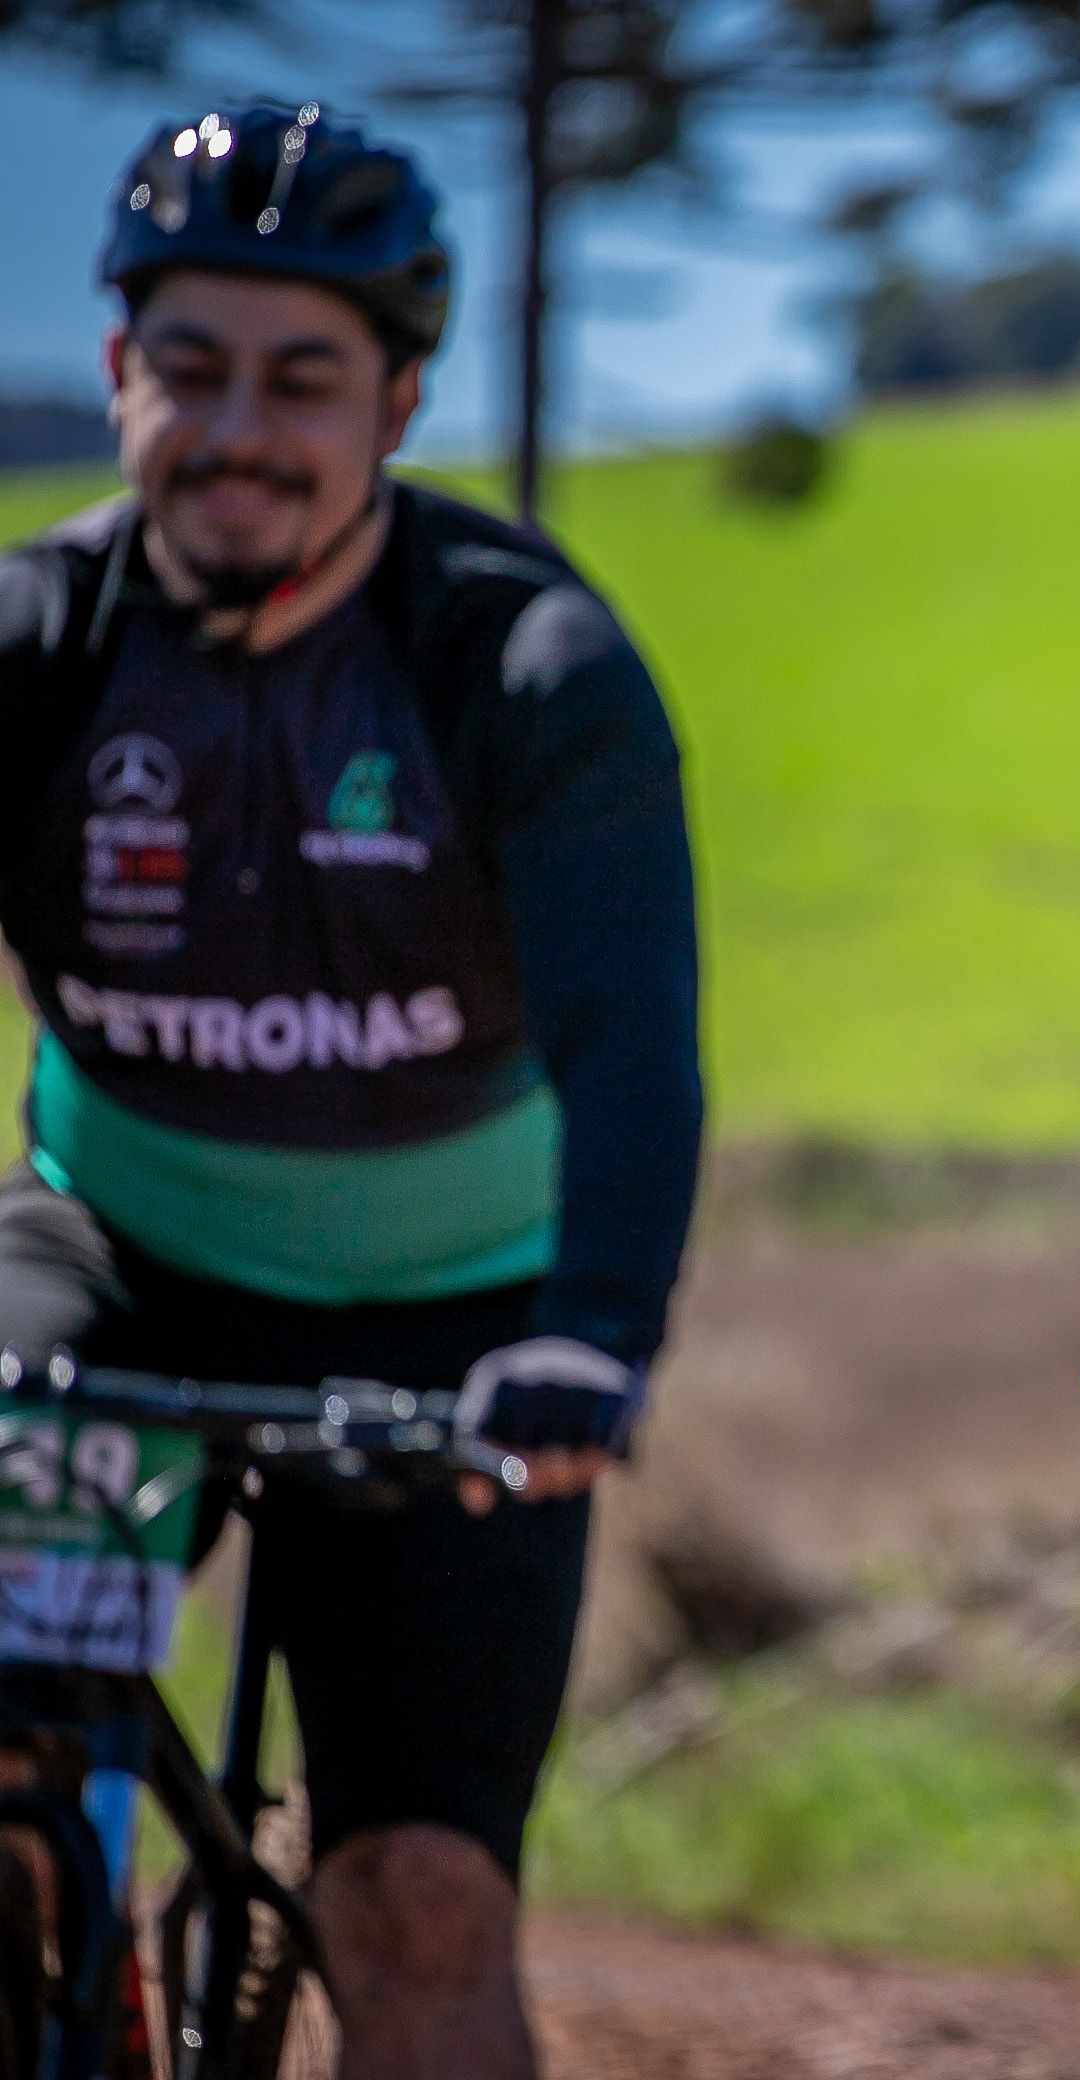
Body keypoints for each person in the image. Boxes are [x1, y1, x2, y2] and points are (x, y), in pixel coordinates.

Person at [0, 105, 702, 2079]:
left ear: (396, 400)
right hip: (111, 1260)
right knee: (5, 1788)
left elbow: (633, 1039)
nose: (238, 430)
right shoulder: (39, 646)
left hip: (460, 1319)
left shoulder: (524, 663)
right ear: (119, 370)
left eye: (301, 380)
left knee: (417, 1901)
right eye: (191, 368)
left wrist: (596, 1332)